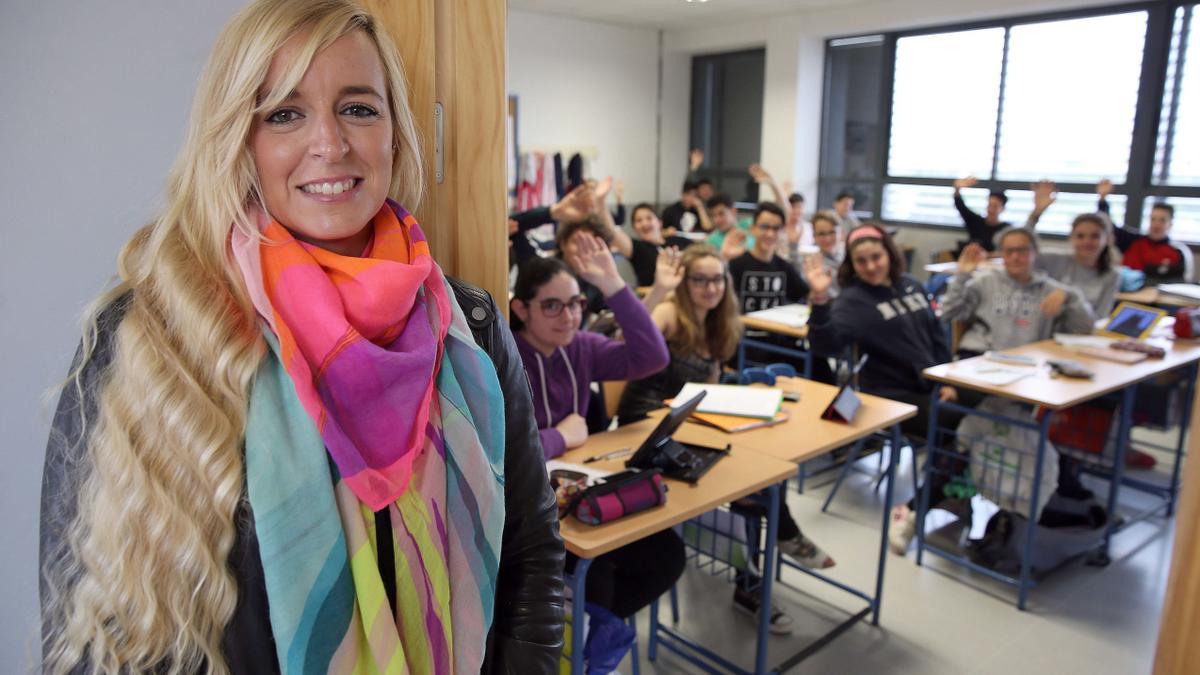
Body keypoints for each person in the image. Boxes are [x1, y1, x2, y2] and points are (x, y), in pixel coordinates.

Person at [39, 2, 563, 673]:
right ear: (238, 138)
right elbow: (93, 634)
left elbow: (531, 557)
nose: (331, 144)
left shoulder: (473, 326)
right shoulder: (151, 336)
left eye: (359, 108)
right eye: (285, 112)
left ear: (395, 135)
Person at [616, 244, 833, 632]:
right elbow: (623, 341)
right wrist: (660, 290)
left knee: (763, 471)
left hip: (688, 425)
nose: (710, 287)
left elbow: (708, 388)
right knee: (752, 487)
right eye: (699, 279)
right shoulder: (669, 313)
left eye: (717, 279)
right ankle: (761, 571)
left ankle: (759, 569)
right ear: (686, 282)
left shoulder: (720, 323)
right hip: (647, 430)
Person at [509, 243, 684, 626]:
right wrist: (559, 435)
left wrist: (613, 285)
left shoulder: (581, 347)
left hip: (577, 492)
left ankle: (591, 638)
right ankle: (584, 639)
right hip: (526, 508)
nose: (568, 316)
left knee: (668, 554)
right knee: (599, 572)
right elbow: (502, 450)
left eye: (574, 304)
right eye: (552, 306)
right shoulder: (505, 357)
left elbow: (652, 358)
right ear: (522, 309)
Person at [804, 226, 984, 554]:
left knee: (985, 406)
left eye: (876, 257)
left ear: (889, 253)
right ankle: (921, 507)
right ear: (852, 265)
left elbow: (936, 337)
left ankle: (932, 499)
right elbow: (825, 345)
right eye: (862, 261)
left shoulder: (911, 285)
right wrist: (819, 301)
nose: (871, 266)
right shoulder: (854, 300)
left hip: (931, 386)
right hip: (887, 396)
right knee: (959, 426)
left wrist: (947, 381)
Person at [941, 228, 1096, 358]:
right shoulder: (984, 282)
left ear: (1035, 252)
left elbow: (1084, 329)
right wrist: (962, 275)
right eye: (1009, 251)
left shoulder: (1052, 291)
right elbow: (949, 314)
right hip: (981, 356)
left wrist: (1071, 296)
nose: (1015, 257)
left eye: (1022, 251)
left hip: (1029, 362)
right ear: (1001, 254)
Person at [728, 203, 811, 313]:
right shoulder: (736, 265)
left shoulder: (785, 267)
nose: (770, 234)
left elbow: (806, 295)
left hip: (776, 328)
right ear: (753, 229)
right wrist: (723, 259)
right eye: (764, 227)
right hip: (744, 328)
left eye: (776, 228)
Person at [1039, 214, 1121, 318]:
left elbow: (1100, 317)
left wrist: (1070, 297)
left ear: (1108, 239)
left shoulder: (1112, 274)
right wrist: (1035, 216)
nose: (1087, 242)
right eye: (1080, 236)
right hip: (1046, 326)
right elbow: (1022, 250)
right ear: (1071, 238)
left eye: (1095, 236)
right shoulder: (1054, 259)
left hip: (1082, 331)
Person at [1123, 202, 1194, 283]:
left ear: (1170, 224)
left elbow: (1180, 281)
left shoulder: (1177, 252)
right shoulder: (1135, 243)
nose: (1156, 225)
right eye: (1153, 219)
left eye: (1162, 220)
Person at [627, 202, 692, 287]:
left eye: (649, 218)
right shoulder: (637, 248)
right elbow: (613, 234)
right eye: (639, 220)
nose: (644, 224)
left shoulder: (679, 240)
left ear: (660, 222)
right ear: (634, 227)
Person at [952, 175, 1011, 251]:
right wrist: (957, 189)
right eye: (989, 205)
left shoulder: (1006, 229)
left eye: (995, 206)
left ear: (1003, 209)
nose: (991, 209)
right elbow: (961, 206)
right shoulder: (976, 222)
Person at [798, 210, 845, 300]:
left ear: (841, 233)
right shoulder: (811, 264)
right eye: (821, 234)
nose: (827, 238)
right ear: (814, 236)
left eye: (832, 232)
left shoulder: (851, 258)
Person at [705, 193, 752, 260]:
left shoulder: (749, 225)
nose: (716, 220)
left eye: (721, 214)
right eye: (713, 215)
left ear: (733, 211)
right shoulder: (711, 241)